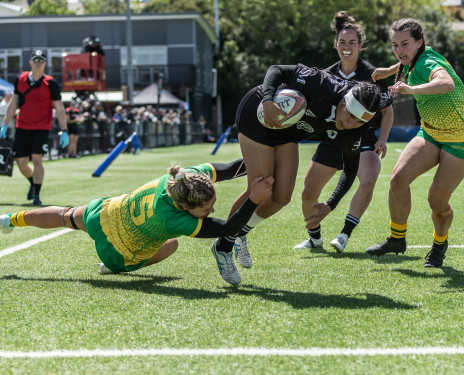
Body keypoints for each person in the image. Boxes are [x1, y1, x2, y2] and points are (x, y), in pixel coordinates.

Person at [211, 63, 388, 284]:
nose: (350, 124)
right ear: (343, 101)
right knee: (261, 187)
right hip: (258, 113)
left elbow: (350, 170)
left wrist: (330, 204)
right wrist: (267, 101)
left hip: (287, 129)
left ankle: (239, 232)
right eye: (350, 116)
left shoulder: (356, 128)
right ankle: (224, 245)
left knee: (282, 196)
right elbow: (276, 70)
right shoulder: (322, 83)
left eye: (359, 121)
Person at [0, 159, 271, 286]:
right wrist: (253, 199)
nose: (212, 210)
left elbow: (229, 169)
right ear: (186, 206)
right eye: (207, 208)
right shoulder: (176, 219)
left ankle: (8, 219)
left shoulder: (187, 177)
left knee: (64, 215)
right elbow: (227, 229)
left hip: (103, 214)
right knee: (172, 245)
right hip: (117, 252)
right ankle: (109, 268)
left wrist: (260, 161)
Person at [366, 18, 464, 267]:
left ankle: (440, 244)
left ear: (419, 42)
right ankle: (397, 239)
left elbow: (446, 83)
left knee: (436, 201)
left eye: (405, 44)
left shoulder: (430, 62)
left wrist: (411, 89)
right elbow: (403, 62)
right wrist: (389, 71)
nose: (400, 50)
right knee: (398, 180)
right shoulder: (413, 59)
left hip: (463, 141)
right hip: (431, 132)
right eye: (395, 45)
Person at [293, 11, 394, 253]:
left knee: (368, 179)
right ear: (335, 44)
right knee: (308, 193)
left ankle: (344, 235)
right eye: (342, 42)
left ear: (360, 45)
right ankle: (314, 238)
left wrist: (382, 139)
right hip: (332, 140)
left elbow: (388, 111)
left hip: (363, 141)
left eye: (352, 42)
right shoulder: (326, 74)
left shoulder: (374, 75)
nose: (347, 47)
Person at [0, 50, 69, 206]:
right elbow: (13, 104)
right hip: (22, 126)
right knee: (21, 163)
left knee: (37, 160)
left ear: (45, 63)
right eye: (35, 59)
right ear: (30, 62)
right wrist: (4, 124)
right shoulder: (21, 80)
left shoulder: (51, 83)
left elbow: (59, 108)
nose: (38, 62)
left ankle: (37, 195)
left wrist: (64, 130)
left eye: (41, 60)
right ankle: (33, 182)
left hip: (42, 127)